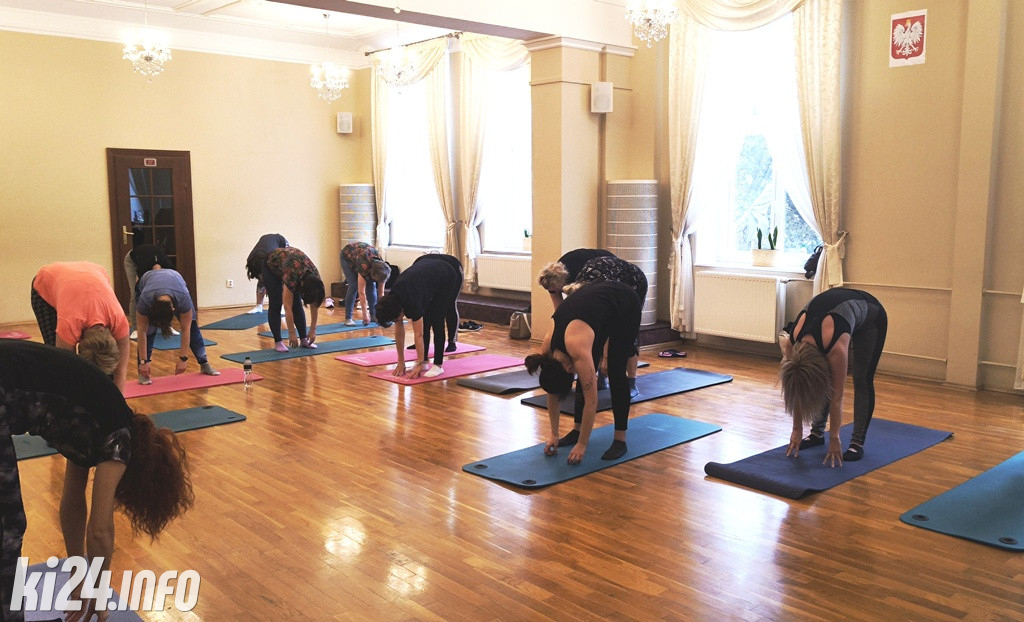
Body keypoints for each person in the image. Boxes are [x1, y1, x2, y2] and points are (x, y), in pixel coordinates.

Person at [0, 340, 194, 622]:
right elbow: (100, 530)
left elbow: (73, 504)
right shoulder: (119, 438)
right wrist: (99, 591)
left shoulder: (97, 421)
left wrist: (80, 579)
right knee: (9, 527)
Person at [524, 280, 642, 464]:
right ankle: (577, 429)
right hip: (595, 311)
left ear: (568, 370)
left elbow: (592, 400)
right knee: (587, 371)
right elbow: (552, 393)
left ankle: (620, 439)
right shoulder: (548, 352)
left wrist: (582, 445)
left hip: (624, 303)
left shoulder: (577, 348)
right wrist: (553, 434)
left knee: (615, 370)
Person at [779, 288, 888, 466]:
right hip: (838, 314)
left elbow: (837, 397)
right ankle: (816, 433)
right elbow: (796, 390)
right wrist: (796, 429)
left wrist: (835, 438)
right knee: (813, 382)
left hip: (871, 318)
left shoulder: (836, 348)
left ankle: (857, 442)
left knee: (862, 380)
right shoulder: (792, 341)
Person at [30, 262, 131, 392]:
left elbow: (121, 372)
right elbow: (67, 373)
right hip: (46, 281)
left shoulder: (120, 321)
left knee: (108, 372)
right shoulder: (69, 325)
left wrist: (117, 408)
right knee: (55, 355)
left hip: (92, 274)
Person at [563, 255, 648, 398]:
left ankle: (632, 383)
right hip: (612, 279)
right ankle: (602, 380)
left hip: (634, 282)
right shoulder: (582, 290)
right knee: (597, 332)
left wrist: (607, 361)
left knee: (627, 336)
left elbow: (610, 330)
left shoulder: (600, 295)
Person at [537, 248, 616, 389]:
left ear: (564, 284)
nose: (554, 293)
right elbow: (560, 313)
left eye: (556, 290)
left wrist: (605, 357)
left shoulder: (582, 279)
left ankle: (608, 376)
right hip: (582, 272)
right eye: (551, 291)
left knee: (597, 331)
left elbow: (598, 318)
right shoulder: (552, 278)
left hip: (610, 270)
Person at [375, 254, 462, 379]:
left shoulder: (412, 301)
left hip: (446, 275)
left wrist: (418, 364)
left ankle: (438, 365)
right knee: (425, 321)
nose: (397, 322)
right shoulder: (393, 298)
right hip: (425, 280)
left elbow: (418, 335)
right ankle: (425, 362)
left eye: (396, 319)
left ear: (399, 311)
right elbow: (399, 333)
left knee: (437, 319)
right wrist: (401, 362)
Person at [135, 267, 220, 384]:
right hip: (147, 280)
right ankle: (143, 373)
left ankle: (204, 363)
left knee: (192, 327)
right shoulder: (145, 301)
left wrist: (183, 358)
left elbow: (186, 330)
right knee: (149, 330)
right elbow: (142, 331)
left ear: (174, 309)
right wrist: (143, 362)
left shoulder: (183, 299)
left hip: (175, 281)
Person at [262, 246, 325, 352]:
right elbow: (287, 307)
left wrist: (313, 330)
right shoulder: (292, 276)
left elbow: (315, 305)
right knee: (276, 303)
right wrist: (291, 333)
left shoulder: (316, 280)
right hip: (271, 265)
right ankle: (278, 342)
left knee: (297, 304)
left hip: (291, 265)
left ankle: (304, 339)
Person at [123, 244, 177, 339]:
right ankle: (135, 328)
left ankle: (168, 325)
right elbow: (139, 287)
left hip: (150, 253)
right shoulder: (144, 268)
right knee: (134, 293)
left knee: (166, 295)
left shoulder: (168, 266)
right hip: (132, 260)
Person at [339, 242, 391, 327]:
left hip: (360, 256)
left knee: (372, 286)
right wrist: (365, 314)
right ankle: (348, 318)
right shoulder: (364, 266)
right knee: (353, 285)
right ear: (371, 273)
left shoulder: (383, 268)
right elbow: (361, 292)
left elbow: (381, 294)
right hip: (347, 255)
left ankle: (373, 315)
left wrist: (380, 315)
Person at [244, 233, 288, 315]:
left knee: (281, 281)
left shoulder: (272, 258)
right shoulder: (251, 260)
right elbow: (261, 277)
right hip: (266, 243)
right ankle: (258, 306)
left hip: (281, 242)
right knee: (262, 280)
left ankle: (282, 307)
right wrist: (264, 280)